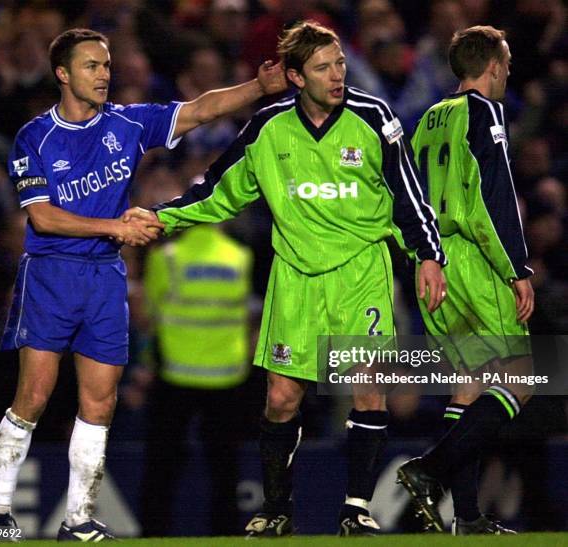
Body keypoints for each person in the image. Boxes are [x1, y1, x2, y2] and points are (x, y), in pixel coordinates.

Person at [0, 28, 286, 541]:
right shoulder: (36, 136)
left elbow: (200, 110)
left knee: (101, 402)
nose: (104, 74)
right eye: (92, 66)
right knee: (33, 394)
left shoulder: (125, 123)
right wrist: (116, 226)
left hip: (104, 277)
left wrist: (257, 88)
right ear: (63, 73)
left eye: (106, 65)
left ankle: (77, 519)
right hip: (52, 275)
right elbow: (43, 218)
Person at [141, 21, 446, 536]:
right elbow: (217, 189)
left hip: (359, 272)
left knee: (368, 389)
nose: (337, 75)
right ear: (296, 77)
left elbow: (407, 193)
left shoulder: (375, 117)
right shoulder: (267, 128)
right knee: (282, 399)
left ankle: (356, 508)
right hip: (296, 277)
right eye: (323, 67)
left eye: (341, 63)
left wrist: (429, 256)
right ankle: (278, 509)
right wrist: (157, 217)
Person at [396, 26, 535, 535]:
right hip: (475, 259)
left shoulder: (426, 119)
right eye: (508, 61)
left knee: (467, 385)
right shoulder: (485, 112)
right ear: (494, 65)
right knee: (521, 377)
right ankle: (429, 469)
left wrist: (420, 255)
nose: (509, 72)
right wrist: (517, 269)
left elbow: (404, 196)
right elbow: (493, 199)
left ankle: (468, 518)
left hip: (431, 263)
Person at [139, 222, 253, 536]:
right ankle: (226, 535)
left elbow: (149, 312)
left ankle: (153, 535)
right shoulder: (239, 256)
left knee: (162, 466)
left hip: (176, 374)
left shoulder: (168, 257)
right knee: (225, 469)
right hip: (227, 376)